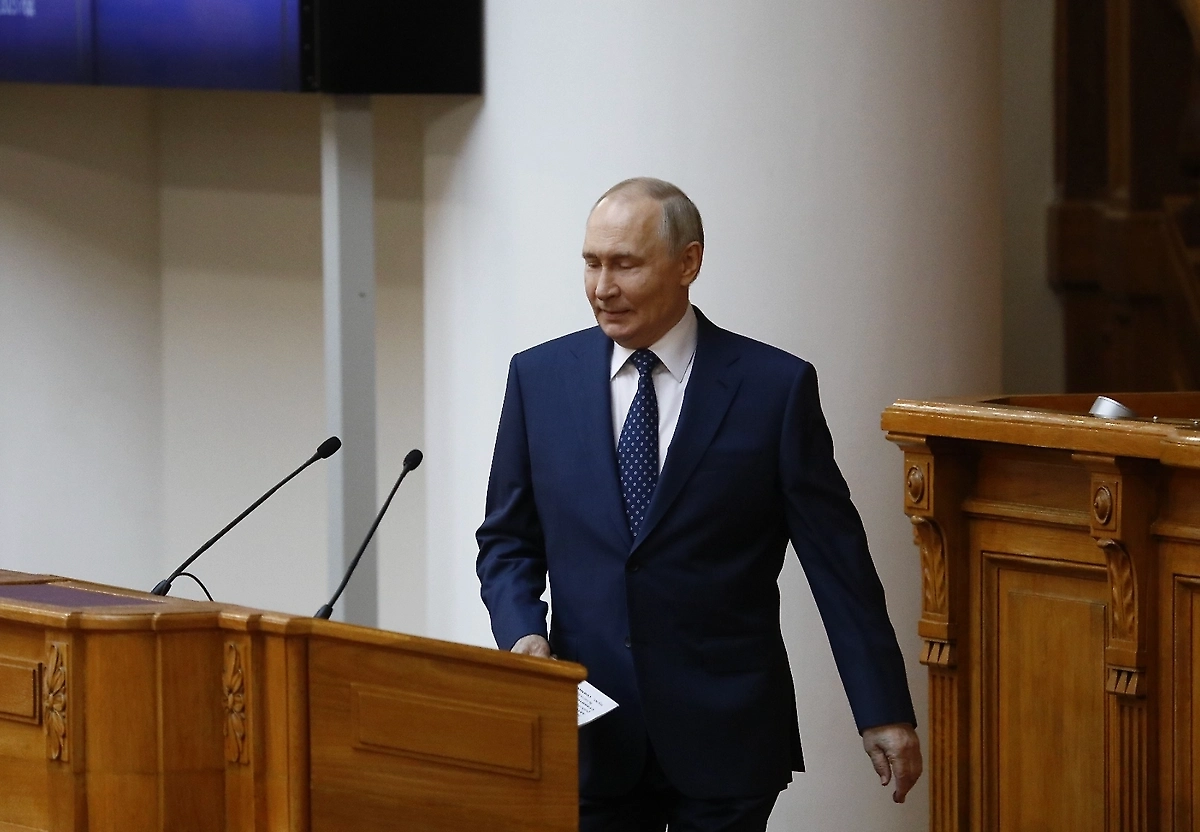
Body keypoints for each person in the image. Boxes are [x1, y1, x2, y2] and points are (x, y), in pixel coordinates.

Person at [476, 177, 921, 831]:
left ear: (688, 263)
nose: (602, 287)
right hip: (589, 733)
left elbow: (839, 566)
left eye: (625, 264)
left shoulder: (774, 389)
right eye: (592, 263)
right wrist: (522, 633)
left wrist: (882, 708)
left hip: (728, 735)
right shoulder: (538, 378)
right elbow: (507, 540)